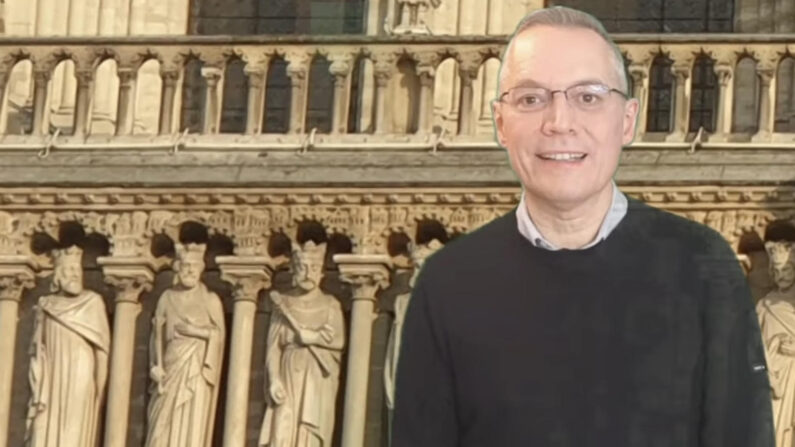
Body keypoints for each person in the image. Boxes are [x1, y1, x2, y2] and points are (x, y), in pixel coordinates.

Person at [391, 6, 775, 447]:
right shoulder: (447, 282)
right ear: (500, 123)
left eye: (588, 96)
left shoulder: (704, 267)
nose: (559, 123)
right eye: (531, 99)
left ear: (628, 120)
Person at [26, 246, 110, 447]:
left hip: (80, 373)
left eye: (77, 270)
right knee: (45, 421)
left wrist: (101, 390)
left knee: (75, 423)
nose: (74, 275)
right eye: (69, 270)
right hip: (52, 374)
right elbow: (37, 350)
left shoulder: (93, 302)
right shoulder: (45, 305)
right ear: (57, 276)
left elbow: (102, 351)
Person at [145, 243, 225, 447]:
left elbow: (219, 336)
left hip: (196, 370)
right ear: (177, 267)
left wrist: (198, 332)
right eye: (186, 265)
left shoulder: (210, 300)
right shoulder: (167, 297)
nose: (190, 270)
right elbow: (157, 336)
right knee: (160, 428)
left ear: (201, 269)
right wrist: (155, 365)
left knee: (192, 419)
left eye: (194, 266)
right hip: (170, 368)